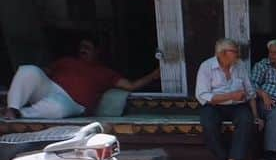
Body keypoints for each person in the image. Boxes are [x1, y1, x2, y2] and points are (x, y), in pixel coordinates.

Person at [4, 36, 160, 119]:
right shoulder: (66, 61)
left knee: (56, 109)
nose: (83, 50)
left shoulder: (104, 72)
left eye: (88, 47)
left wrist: (154, 75)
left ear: (97, 52)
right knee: (28, 70)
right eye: (81, 47)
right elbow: (42, 73)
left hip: (72, 103)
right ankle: (12, 108)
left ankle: (20, 115)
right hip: (50, 89)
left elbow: (130, 86)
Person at [195, 38, 260, 160]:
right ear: (223, 53)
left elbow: (250, 92)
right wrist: (230, 95)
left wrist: (256, 116)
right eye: (234, 51)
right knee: (208, 123)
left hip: (237, 105)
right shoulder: (206, 67)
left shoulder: (239, 65)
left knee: (247, 120)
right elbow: (203, 96)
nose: (238, 54)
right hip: (214, 105)